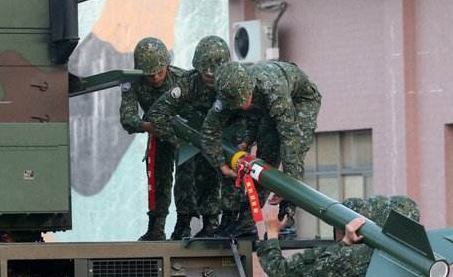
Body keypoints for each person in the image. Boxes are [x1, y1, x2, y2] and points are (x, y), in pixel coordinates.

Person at [202, 60, 321, 236]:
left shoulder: (272, 88)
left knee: (293, 155)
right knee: (264, 161)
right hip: (267, 107)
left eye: (245, 99)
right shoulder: (228, 94)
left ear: (250, 87)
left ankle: (286, 218)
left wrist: (288, 185)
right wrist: (221, 164)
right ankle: (246, 222)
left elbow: (290, 139)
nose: (243, 106)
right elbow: (209, 130)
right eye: (238, 104)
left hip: (300, 101)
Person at [146, 35, 232, 238]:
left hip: (224, 137)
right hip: (192, 138)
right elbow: (157, 112)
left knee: (224, 176)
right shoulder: (188, 84)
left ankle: (221, 221)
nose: (210, 80)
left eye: (214, 76)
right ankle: (187, 222)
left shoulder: (233, 82)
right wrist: (174, 139)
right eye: (206, 75)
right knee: (188, 176)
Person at [120, 37, 182, 241]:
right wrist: (149, 127)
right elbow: (128, 118)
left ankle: (186, 224)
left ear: (167, 65)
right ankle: (156, 228)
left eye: (159, 72)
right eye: (149, 74)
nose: (155, 77)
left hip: (185, 137)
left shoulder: (182, 79)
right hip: (158, 135)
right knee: (158, 180)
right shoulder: (132, 82)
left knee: (189, 180)